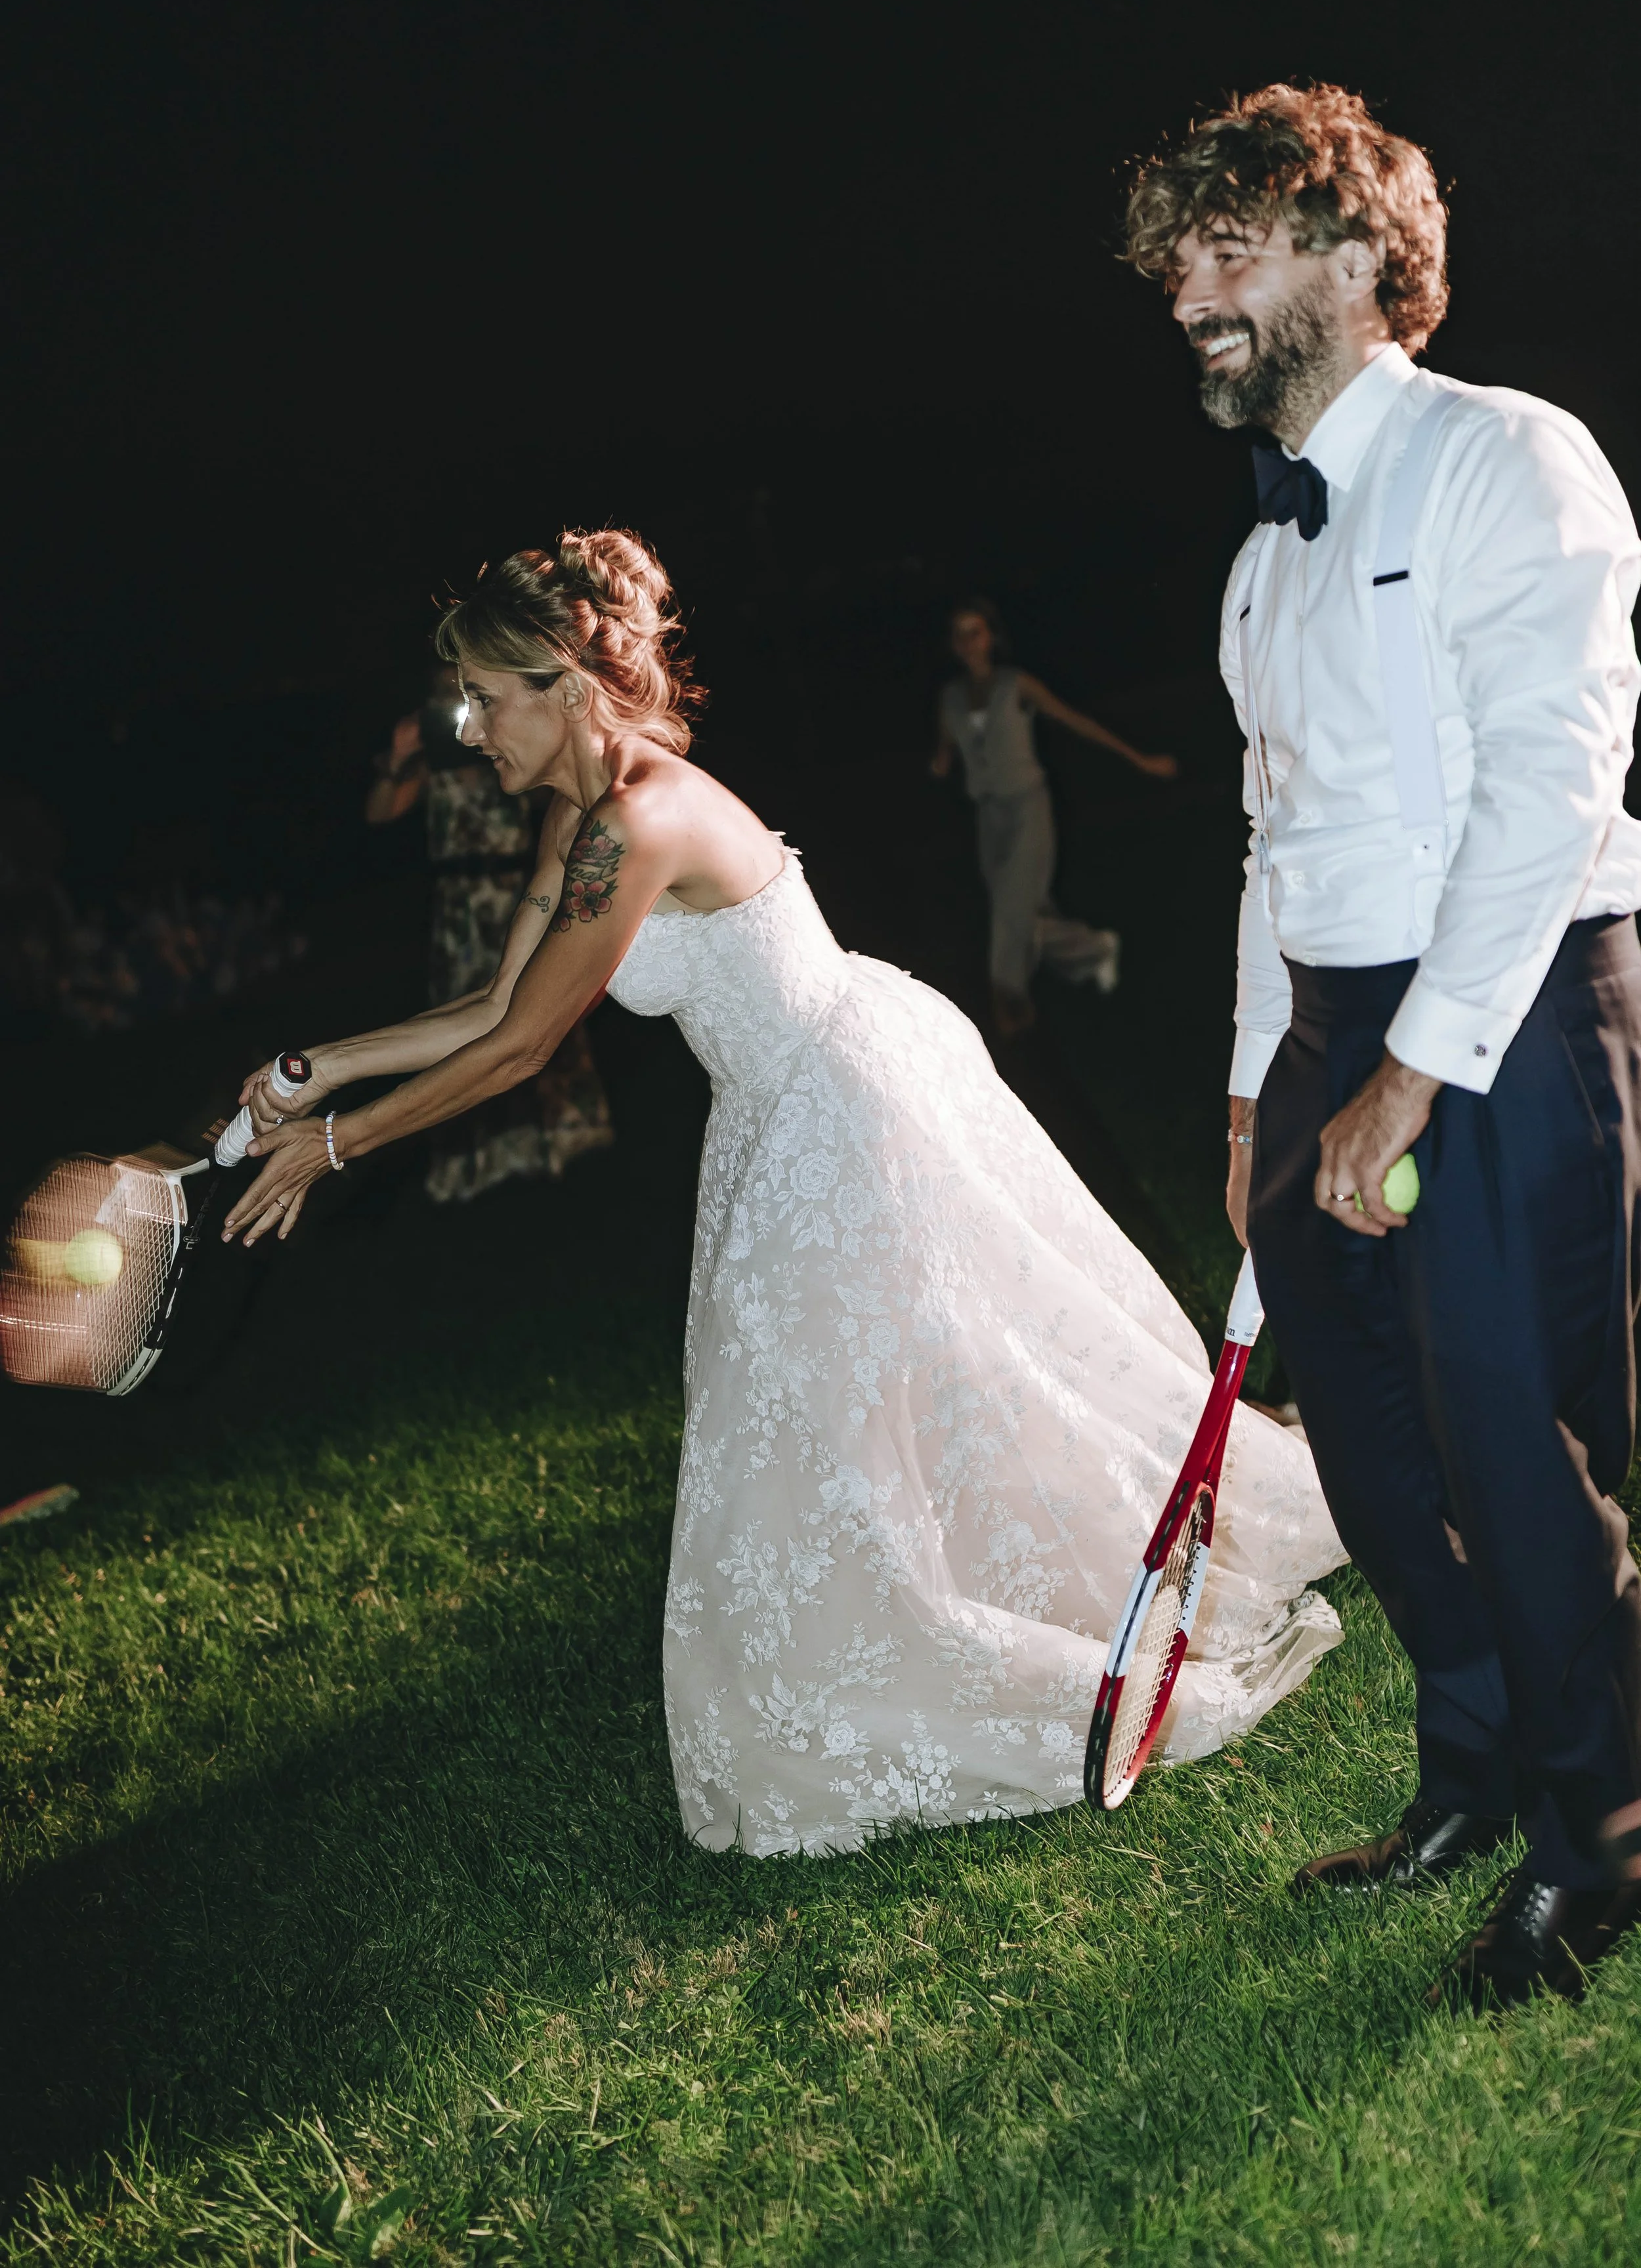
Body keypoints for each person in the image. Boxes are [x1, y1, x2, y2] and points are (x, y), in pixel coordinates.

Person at [225, 529, 1344, 1858]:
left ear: (564, 689)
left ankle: (984, 1643)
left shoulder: (638, 815)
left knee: (871, 1408)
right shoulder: (582, 819)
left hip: (844, 1107)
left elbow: (528, 1046)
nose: (465, 730)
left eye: (482, 697)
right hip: (784, 1109)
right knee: (876, 1407)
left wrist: (336, 1146)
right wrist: (311, 1070)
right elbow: (487, 1003)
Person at [1126, 81, 1641, 2006]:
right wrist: (1263, 1078)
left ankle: (1595, 1837)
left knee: (1517, 1443)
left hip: (1506, 1009)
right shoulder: (1255, 565)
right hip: (1338, 1026)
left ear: (1357, 256)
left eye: (1225, 246)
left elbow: (1545, 781)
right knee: (1358, 1424)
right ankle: (1474, 1759)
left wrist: (1412, 1069)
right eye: (1172, 256)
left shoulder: (1508, 460)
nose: (1184, 290)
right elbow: (1273, 843)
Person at [364, 659, 612, 1199]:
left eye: (478, 698)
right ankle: (483, 1158)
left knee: (542, 1011)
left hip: (517, 894)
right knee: (472, 1015)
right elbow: (381, 813)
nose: (467, 722)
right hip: (461, 906)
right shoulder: (437, 761)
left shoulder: (523, 757)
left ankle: (564, 1144)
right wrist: (400, 759)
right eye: (453, 700)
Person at [930, 600, 1178, 1035]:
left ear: (991, 637)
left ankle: (1008, 1000)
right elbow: (949, 746)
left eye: (976, 631)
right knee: (1022, 910)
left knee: (1010, 906)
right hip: (988, 816)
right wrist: (942, 761)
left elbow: (1075, 721)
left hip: (1027, 805)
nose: (969, 642)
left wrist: (1140, 760)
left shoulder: (1015, 685)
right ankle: (1095, 949)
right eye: (960, 634)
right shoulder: (950, 698)